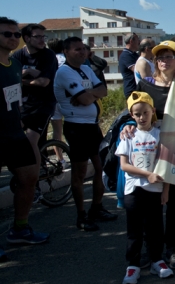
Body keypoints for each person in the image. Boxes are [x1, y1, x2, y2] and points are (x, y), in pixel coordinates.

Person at [120, 40, 175, 269]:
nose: (163, 60)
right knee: (152, 205)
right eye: (160, 56)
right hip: (151, 156)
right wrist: (129, 124)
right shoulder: (146, 86)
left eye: (169, 56)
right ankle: (153, 250)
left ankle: (172, 248)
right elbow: (134, 112)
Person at [54, 37, 117, 230]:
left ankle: (96, 207)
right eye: (76, 50)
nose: (82, 52)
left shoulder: (87, 69)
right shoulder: (64, 72)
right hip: (76, 127)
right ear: (66, 51)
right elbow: (84, 99)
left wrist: (90, 93)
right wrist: (89, 94)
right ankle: (81, 215)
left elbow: (103, 91)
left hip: (93, 126)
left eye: (83, 49)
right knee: (79, 173)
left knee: (100, 167)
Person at [0, 17, 49, 262]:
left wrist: (19, 121)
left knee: (29, 178)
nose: (13, 38)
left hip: (14, 132)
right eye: (7, 34)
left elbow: (13, 99)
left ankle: (20, 228)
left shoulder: (12, 66)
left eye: (15, 34)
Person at [117, 91, 173, 284]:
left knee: (155, 227)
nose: (141, 117)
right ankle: (133, 266)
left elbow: (166, 164)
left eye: (145, 112)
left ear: (153, 112)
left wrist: (165, 190)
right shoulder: (128, 135)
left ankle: (157, 260)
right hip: (134, 190)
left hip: (155, 190)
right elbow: (124, 165)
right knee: (134, 229)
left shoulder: (160, 135)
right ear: (132, 115)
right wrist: (146, 175)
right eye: (137, 113)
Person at [12, 23, 58, 167]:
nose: (42, 40)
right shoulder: (18, 55)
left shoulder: (48, 55)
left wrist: (23, 78)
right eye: (37, 36)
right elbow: (12, 80)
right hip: (23, 104)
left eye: (43, 36)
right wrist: (32, 75)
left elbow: (44, 82)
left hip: (43, 105)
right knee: (15, 138)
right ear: (27, 38)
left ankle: (35, 179)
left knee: (31, 141)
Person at [118, 32, 140, 97]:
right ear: (131, 41)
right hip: (132, 91)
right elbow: (137, 70)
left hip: (138, 90)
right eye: (137, 39)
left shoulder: (134, 54)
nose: (139, 42)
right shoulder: (126, 55)